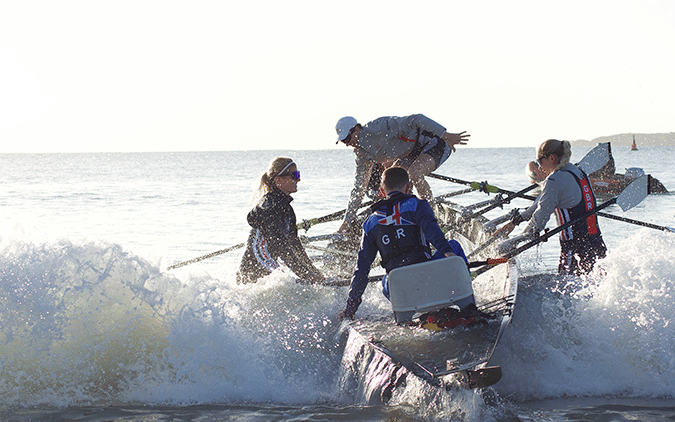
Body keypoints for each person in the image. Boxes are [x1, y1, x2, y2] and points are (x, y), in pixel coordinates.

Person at [338, 167, 470, 320]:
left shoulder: (369, 222)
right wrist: (448, 252)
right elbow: (432, 232)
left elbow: (361, 269)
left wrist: (351, 307)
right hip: (429, 281)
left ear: (382, 190)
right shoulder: (418, 205)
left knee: (385, 281)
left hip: (400, 292)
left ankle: (404, 316)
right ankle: (467, 302)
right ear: (408, 187)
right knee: (454, 244)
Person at [335, 114, 469, 236]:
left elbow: (417, 119)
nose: (347, 144)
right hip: (408, 153)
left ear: (357, 129)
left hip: (433, 142)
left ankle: (431, 219)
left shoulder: (380, 126)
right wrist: (347, 221)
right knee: (391, 181)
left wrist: (445, 135)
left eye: (347, 138)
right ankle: (407, 218)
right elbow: (359, 189)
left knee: (414, 174)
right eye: (343, 141)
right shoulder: (362, 154)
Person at [494, 140, 607, 276]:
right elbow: (537, 206)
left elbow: (539, 220)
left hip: (575, 250)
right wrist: (514, 222)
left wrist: (514, 241)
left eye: (540, 161)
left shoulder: (555, 180)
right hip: (597, 245)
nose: (539, 166)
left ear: (552, 158)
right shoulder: (579, 173)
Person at [237, 157, 326, 284]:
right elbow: (281, 246)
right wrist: (306, 275)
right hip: (253, 266)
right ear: (278, 180)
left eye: (298, 174)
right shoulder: (269, 207)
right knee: (284, 283)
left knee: (288, 283)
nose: (298, 179)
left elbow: (295, 245)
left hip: (266, 261)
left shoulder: (287, 209)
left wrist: (315, 272)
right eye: (294, 175)